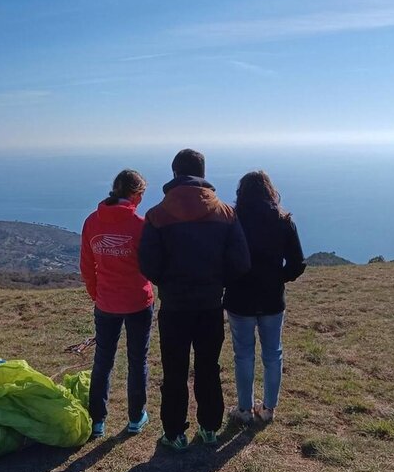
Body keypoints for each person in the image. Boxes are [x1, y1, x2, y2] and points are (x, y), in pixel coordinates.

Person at [139, 149, 251, 450]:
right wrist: (216, 281)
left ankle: (174, 434)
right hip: (210, 305)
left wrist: (167, 281)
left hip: (174, 307)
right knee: (208, 367)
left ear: (175, 173)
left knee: (174, 370)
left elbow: (147, 264)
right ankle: (210, 428)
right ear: (202, 173)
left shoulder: (156, 215)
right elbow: (241, 262)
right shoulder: (227, 214)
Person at [224, 171, 306, 424]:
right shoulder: (284, 221)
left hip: (240, 297)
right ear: (270, 191)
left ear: (241, 193)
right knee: (273, 354)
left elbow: (223, 259)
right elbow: (297, 263)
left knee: (243, 355)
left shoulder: (232, 220)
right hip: (272, 298)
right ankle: (269, 409)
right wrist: (279, 278)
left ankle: (245, 409)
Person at [80, 169, 155, 438]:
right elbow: (151, 265)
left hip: (106, 303)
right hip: (138, 301)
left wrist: (97, 295)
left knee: (103, 360)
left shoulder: (92, 222)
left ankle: (97, 421)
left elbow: (87, 267)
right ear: (135, 194)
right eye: (142, 194)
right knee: (137, 360)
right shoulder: (140, 223)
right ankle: (136, 417)